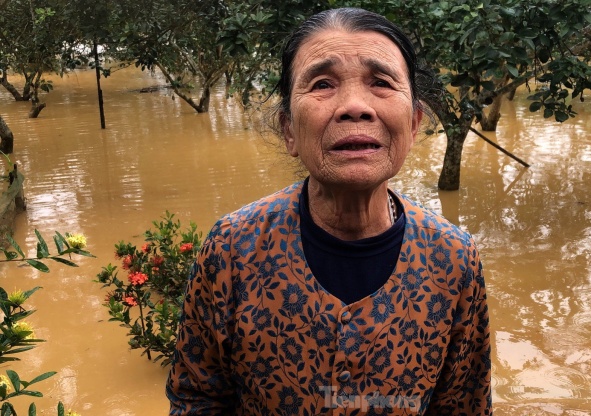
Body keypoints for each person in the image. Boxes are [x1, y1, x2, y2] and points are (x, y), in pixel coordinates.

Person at [167, 7, 492, 415]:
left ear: (412, 124)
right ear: (288, 130)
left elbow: (465, 405)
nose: (355, 106)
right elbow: (197, 399)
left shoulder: (454, 258)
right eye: (322, 84)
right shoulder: (232, 248)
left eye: (381, 83)